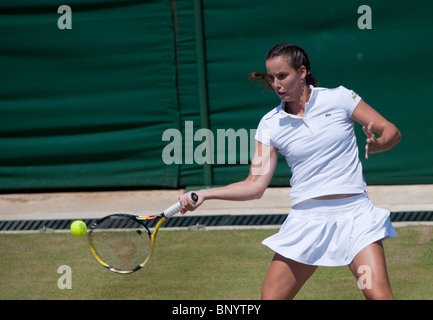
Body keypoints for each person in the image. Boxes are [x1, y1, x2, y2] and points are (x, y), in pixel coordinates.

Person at [178, 43, 401, 300]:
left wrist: (380, 143)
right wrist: (206, 194)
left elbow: (391, 130)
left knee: (379, 297)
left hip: (356, 217)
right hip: (307, 222)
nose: (276, 84)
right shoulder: (270, 125)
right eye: (271, 78)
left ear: (302, 72)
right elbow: (255, 184)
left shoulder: (339, 98)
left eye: (282, 76)